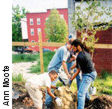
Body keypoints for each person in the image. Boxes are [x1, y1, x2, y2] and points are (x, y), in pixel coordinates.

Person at [69, 39, 97, 109]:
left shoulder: (79, 56)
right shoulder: (85, 52)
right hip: (90, 73)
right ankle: (88, 101)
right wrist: (72, 68)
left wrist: (71, 79)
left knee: (80, 94)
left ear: (78, 46)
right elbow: (79, 64)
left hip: (88, 75)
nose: (73, 49)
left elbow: (78, 71)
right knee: (84, 88)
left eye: (73, 48)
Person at [45, 41, 72, 107]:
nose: (72, 48)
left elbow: (66, 60)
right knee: (50, 87)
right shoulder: (64, 49)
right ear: (68, 44)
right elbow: (64, 63)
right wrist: (67, 73)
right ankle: (48, 105)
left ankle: (64, 96)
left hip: (59, 70)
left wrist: (72, 58)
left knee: (67, 81)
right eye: (71, 46)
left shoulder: (67, 51)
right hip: (53, 69)